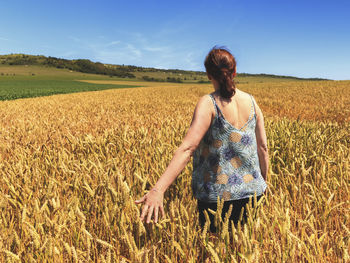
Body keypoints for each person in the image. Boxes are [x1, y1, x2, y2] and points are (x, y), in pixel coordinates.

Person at [135, 46, 268, 233]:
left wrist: (158, 189)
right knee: (244, 249)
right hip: (252, 192)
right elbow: (263, 147)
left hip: (216, 197)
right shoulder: (252, 102)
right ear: (235, 71)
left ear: (208, 74)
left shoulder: (209, 103)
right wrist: (262, 183)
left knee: (215, 248)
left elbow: (188, 148)